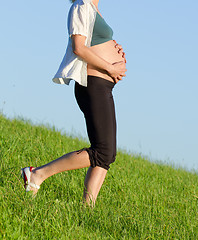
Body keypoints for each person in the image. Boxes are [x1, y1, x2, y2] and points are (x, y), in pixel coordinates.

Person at [21, 0, 127, 207]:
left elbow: (94, 43)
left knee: (107, 154)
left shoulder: (94, 9)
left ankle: (87, 208)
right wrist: (110, 67)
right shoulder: (81, 5)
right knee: (103, 151)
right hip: (92, 85)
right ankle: (37, 175)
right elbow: (78, 48)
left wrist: (114, 46)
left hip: (103, 86)